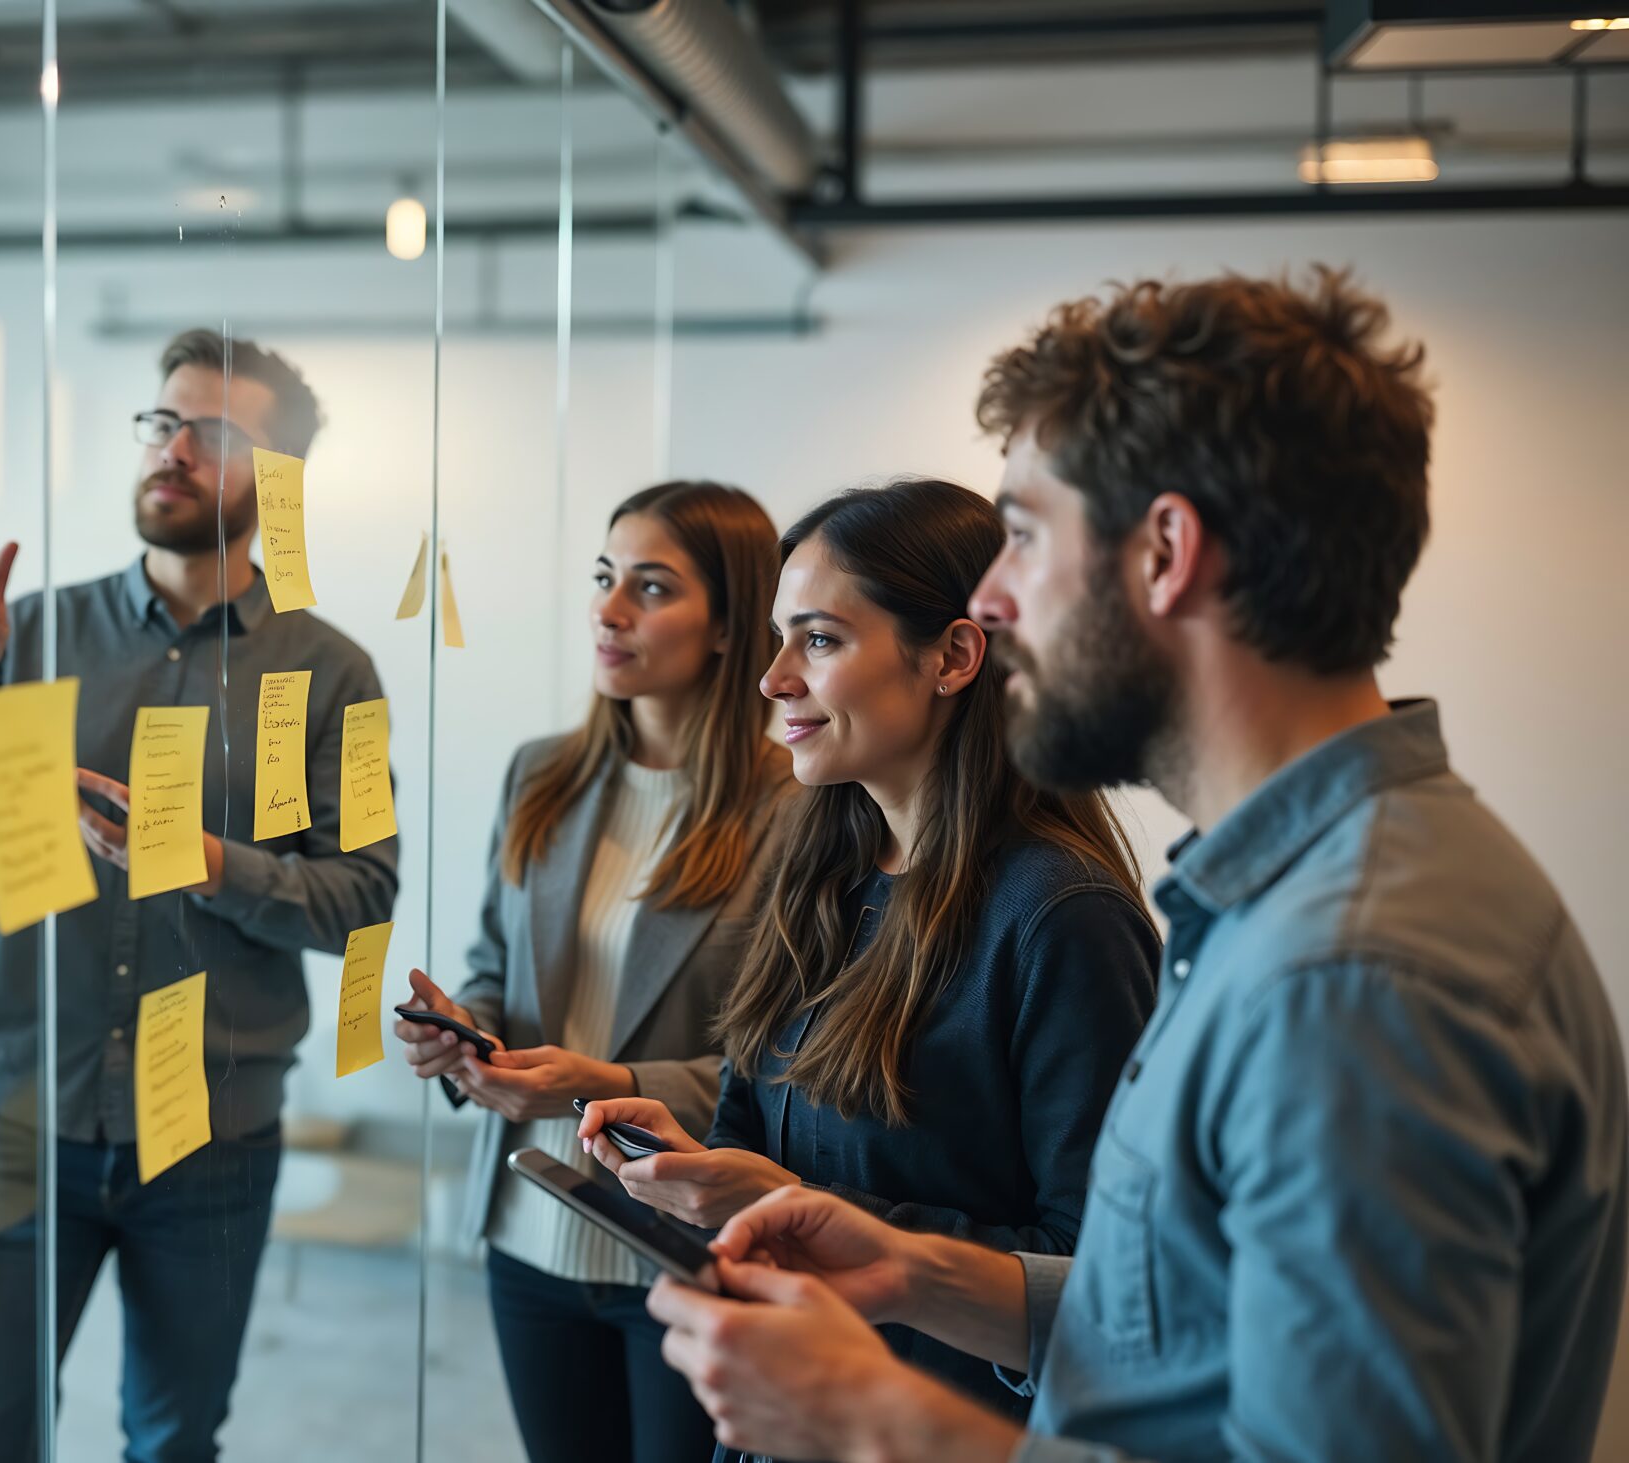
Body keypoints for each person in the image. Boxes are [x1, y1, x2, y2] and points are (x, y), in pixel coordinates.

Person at [646, 271, 1626, 1463]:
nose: (993, 605)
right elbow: (1189, 1322)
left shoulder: (1353, 974)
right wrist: (918, 1270)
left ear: (1164, 550)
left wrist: (884, 1420)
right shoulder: (1286, 901)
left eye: (1020, 536)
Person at [0, 328, 399, 1463]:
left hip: (212, 1132)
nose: (174, 450)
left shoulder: (330, 672)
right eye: (161, 422)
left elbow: (362, 894)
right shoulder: (30, 636)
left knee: (172, 1440)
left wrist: (212, 862)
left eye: (215, 433)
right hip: (21, 1116)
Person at [582, 477, 1159, 1446]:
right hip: (783, 1412)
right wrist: (705, 1170)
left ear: (954, 654)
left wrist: (788, 1203)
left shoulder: (1063, 918)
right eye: (778, 639)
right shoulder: (821, 873)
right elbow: (750, 1127)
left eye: (817, 639)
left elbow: (1099, 1278)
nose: (771, 679)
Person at [393, 480, 790, 1462]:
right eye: (606, 578)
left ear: (732, 627)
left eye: (650, 587)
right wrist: (461, 1028)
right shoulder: (543, 773)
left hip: (680, 1241)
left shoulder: (796, 811)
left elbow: (784, 1070)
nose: (609, 611)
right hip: (527, 1228)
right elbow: (496, 963)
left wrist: (607, 1083)